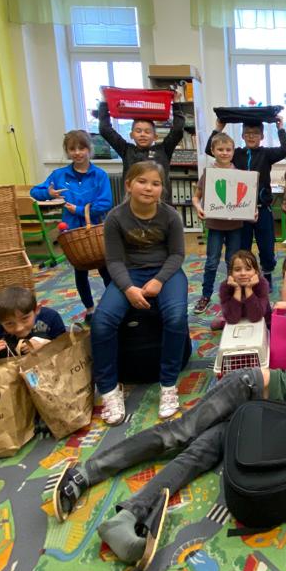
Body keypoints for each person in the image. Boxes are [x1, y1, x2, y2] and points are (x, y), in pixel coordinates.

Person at [51, 335, 286, 571]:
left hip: (253, 417)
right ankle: (85, 473)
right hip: (246, 389)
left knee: (197, 458)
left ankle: (127, 516)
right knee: (179, 434)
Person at [92, 161, 190, 424]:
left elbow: (177, 255)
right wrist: (127, 288)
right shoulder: (115, 218)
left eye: (155, 184)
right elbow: (113, 261)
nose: (149, 188)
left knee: (176, 317)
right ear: (129, 185)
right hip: (129, 274)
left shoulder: (170, 216)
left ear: (162, 189)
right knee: (102, 322)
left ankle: (168, 385)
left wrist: (159, 280)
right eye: (142, 182)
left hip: (165, 272)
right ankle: (109, 390)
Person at [30, 130, 113, 320]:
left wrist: (79, 209)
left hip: (96, 229)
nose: (77, 153)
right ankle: (90, 310)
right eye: (72, 149)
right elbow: (35, 191)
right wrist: (48, 193)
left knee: (106, 269)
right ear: (67, 151)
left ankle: (112, 306)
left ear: (89, 149)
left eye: (82, 148)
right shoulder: (59, 175)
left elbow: (105, 203)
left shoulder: (99, 175)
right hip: (71, 232)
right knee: (80, 271)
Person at [205, 117, 286, 288]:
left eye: (255, 133)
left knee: (266, 246)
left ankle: (267, 275)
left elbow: (285, 149)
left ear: (262, 136)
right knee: (243, 248)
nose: (251, 136)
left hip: (262, 209)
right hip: (241, 212)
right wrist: (218, 129)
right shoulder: (236, 154)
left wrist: (280, 127)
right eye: (247, 133)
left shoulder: (266, 154)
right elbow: (210, 149)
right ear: (242, 136)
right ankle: (246, 276)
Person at [191, 133, 244, 315]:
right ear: (212, 151)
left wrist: (252, 210)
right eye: (220, 149)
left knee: (232, 261)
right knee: (212, 262)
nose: (224, 153)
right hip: (214, 225)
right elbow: (196, 197)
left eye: (228, 149)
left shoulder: (239, 174)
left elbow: (246, 199)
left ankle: (231, 294)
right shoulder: (209, 173)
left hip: (235, 225)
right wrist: (198, 207)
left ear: (233, 151)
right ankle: (206, 295)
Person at [97, 101, 186, 205]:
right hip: (132, 205)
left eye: (147, 132)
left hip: (160, 204)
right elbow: (105, 130)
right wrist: (104, 102)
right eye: (138, 131)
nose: (142, 134)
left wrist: (176, 103)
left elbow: (178, 131)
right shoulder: (126, 150)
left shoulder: (164, 149)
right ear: (131, 135)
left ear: (155, 137)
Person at [0, 286, 65, 360]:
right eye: (9, 323)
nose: (19, 328)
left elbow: (67, 348)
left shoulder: (50, 317)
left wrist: (47, 345)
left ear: (36, 310)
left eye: (25, 318)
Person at [215, 250, 271, 330]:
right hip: (237, 320)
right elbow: (232, 319)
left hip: (263, 321)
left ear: (256, 272)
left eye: (248, 269)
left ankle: (222, 321)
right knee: (219, 324)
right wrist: (237, 289)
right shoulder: (225, 286)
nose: (243, 273)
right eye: (237, 270)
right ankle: (223, 321)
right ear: (231, 273)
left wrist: (248, 288)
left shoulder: (262, 284)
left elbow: (255, 317)